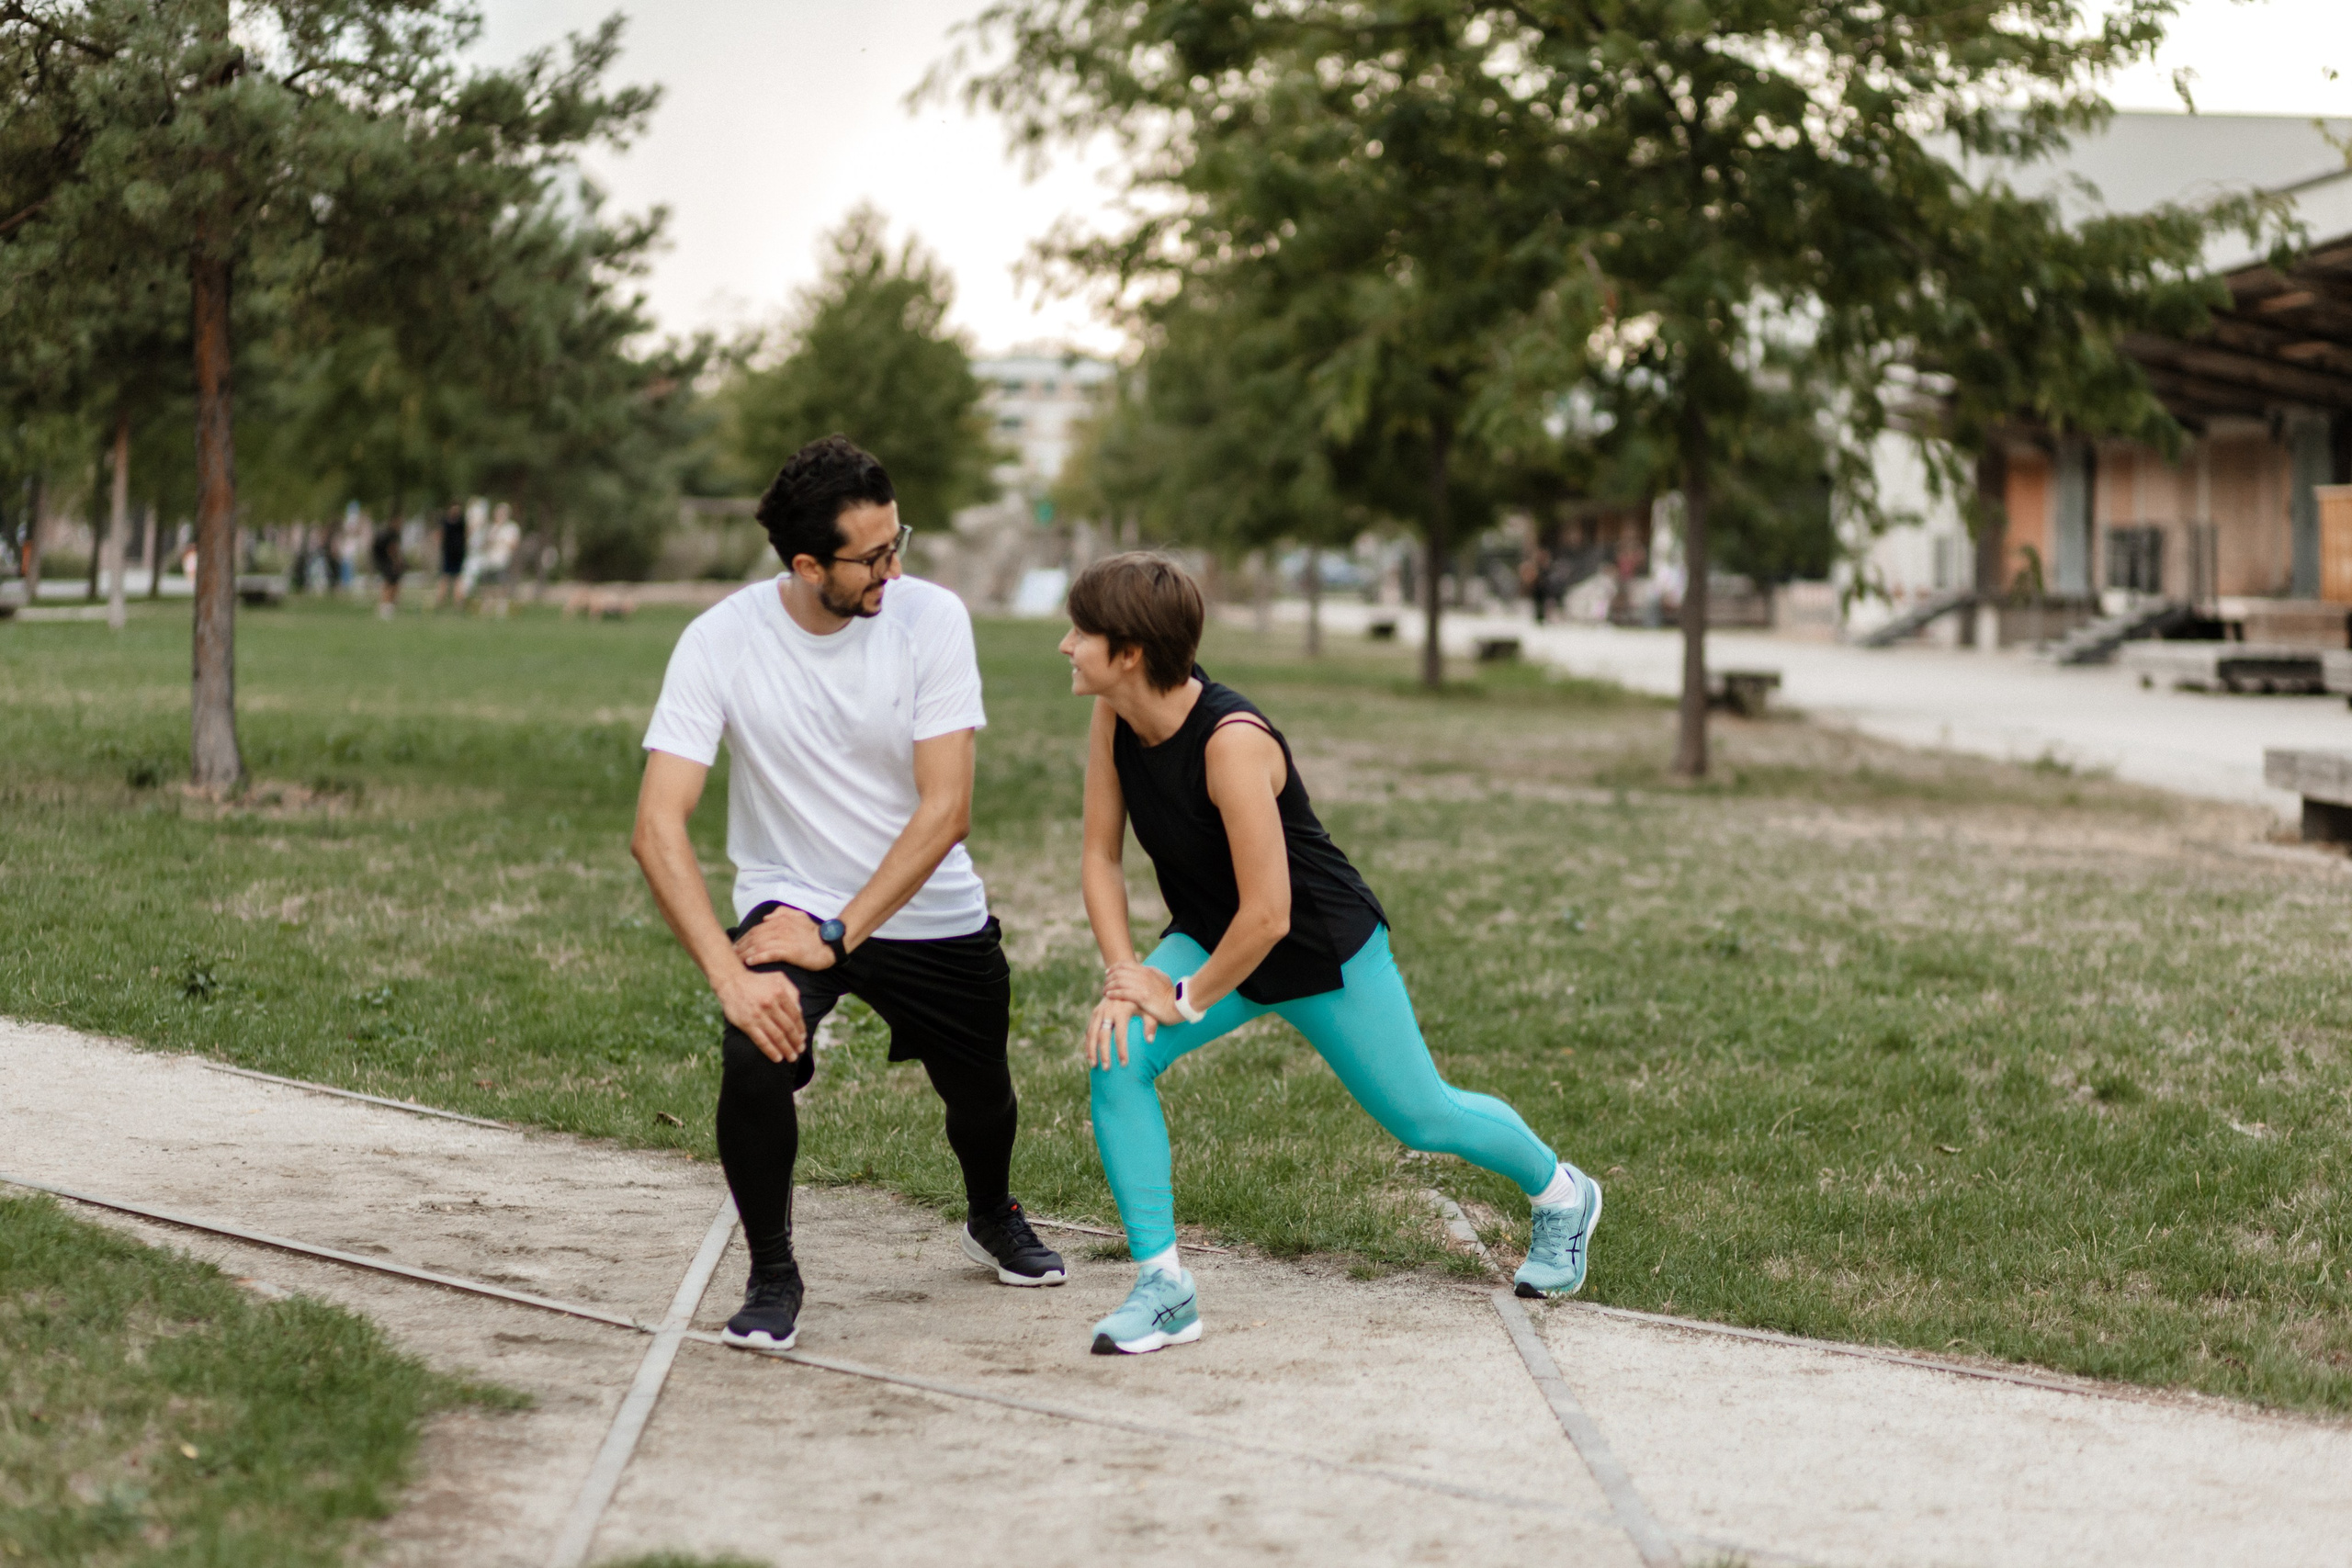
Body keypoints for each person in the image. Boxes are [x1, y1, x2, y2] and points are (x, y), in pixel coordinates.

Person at [1063, 553, 1601, 1357]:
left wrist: (1180, 995)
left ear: (1131, 650)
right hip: (1216, 935)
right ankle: (1164, 1287)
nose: (1066, 645)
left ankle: (1563, 1194)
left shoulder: (1231, 742)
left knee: (1423, 1116)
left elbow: (1271, 914)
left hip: (1319, 946)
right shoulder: (1115, 716)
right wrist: (1124, 980)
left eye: (1082, 631)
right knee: (1117, 1056)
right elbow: (1100, 858)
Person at [631, 434, 1064, 1355]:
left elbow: (947, 809)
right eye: (870, 557)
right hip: (790, 901)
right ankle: (772, 1272)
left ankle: (992, 1212)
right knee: (753, 1057)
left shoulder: (932, 618)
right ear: (804, 565)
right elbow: (656, 826)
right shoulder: (720, 640)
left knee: (981, 1096)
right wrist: (730, 976)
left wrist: (841, 931)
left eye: (895, 541)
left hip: (926, 905)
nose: (891, 569)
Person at [433, 502, 468, 610]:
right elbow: (440, 535)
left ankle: (458, 603)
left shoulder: (461, 522)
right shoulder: (445, 522)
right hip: (448, 553)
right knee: (445, 578)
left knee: (457, 578)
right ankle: (440, 602)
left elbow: (466, 535)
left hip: (458, 553)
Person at [368, 514, 402, 619]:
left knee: (393, 581)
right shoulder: (391, 534)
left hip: (381, 560)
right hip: (384, 561)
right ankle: (385, 605)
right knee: (389, 581)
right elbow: (391, 550)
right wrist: (396, 562)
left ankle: (388, 605)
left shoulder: (388, 532)